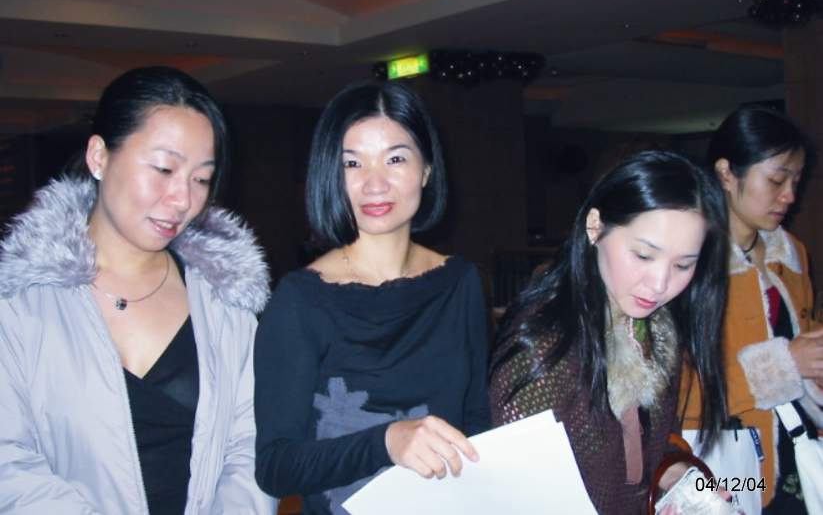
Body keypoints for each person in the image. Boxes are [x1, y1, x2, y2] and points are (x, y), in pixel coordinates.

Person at [0, 66, 275, 514]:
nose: (182, 200)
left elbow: (249, 446)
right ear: (99, 157)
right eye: (164, 169)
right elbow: (9, 463)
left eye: (201, 179)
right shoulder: (20, 301)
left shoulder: (225, 300)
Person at [254, 81, 491, 513]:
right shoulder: (300, 300)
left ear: (426, 169)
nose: (375, 183)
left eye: (395, 158)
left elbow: (476, 422)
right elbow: (275, 466)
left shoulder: (461, 283)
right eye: (352, 163)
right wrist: (387, 442)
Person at [489, 150, 730, 515]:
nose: (660, 284)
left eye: (683, 265)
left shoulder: (655, 330)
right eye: (644, 255)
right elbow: (522, 497)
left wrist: (679, 479)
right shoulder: (544, 346)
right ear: (595, 227)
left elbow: (647, 451)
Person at [679, 106, 823, 513]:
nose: (789, 196)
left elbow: (803, 342)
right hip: (726, 461)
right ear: (726, 173)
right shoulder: (686, 262)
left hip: (798, 450)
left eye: (796, 181)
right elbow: (672, 394)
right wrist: (784, 363)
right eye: (777, 179)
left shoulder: (791, 253)